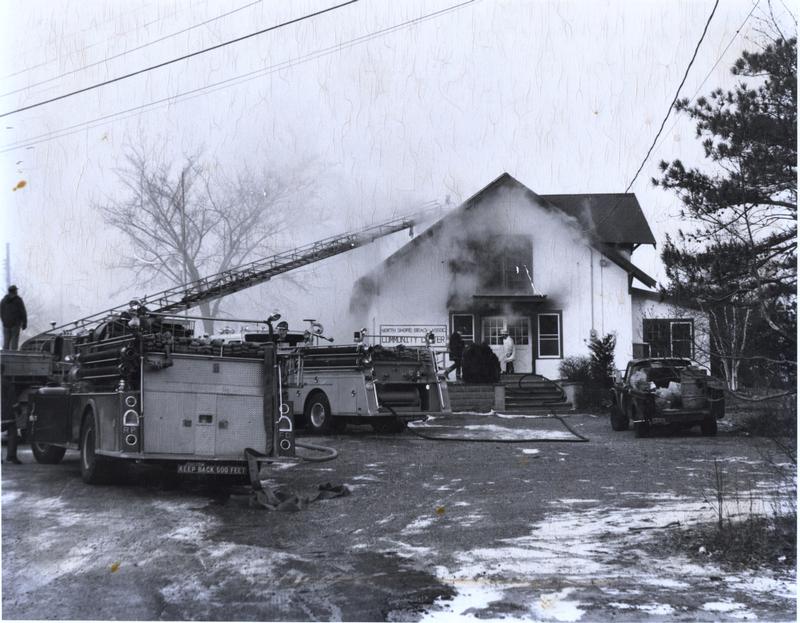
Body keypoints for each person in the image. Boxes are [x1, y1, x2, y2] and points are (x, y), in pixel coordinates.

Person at [1, 370, 21, 464]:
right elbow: (13, 399)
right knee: (12, 434)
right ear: (3, 372)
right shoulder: (6, 383)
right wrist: (18, 410)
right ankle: (11, 456)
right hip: (6, 413)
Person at [1, 285, 27, 350]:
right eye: (16, 290)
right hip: (16, 324)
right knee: (14, 342)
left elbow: (0, 312)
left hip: (6, 324)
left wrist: (4, 320)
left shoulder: (3, 300)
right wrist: (24, 323)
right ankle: (13, 356)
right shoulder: (18, 300)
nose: (17, 291)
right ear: (14, 291)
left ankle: (5, 357)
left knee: (6, 342)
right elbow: (23, 312)